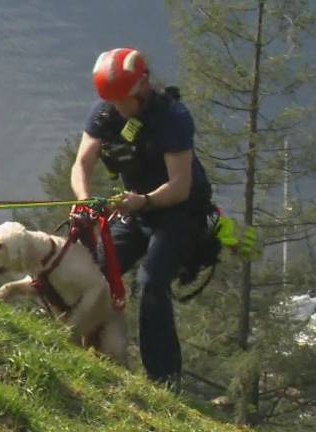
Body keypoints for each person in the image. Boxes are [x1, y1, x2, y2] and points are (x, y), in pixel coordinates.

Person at [70, 47, 214, 385]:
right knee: (95, 269)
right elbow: (82, 163)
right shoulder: (106, 112)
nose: (117, 108)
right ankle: (86, 347)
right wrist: (85, 200)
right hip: (134, 209)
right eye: (112, 100)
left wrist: (142, 202)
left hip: (179, 214)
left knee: (151, 284)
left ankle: (163, 378)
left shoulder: (172, 118)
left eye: (123, 100)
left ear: (142, 89)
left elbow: (179, 186)